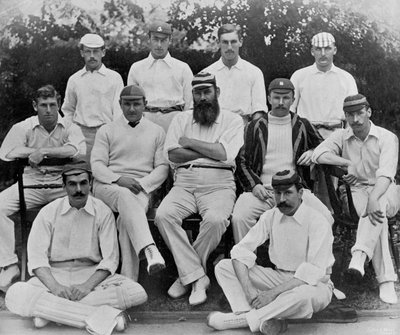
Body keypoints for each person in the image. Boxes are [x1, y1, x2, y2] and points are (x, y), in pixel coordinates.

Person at [5, 161, 147, 334]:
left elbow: (110, 259)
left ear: (90, 184)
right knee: (15, 293)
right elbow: (36, 260)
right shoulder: (48, 212)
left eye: (83, 183)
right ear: (64, 185)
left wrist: (87, 286)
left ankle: (50, 313)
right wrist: (56, 288)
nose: (78, 189)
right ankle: (103, 317)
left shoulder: (103, 211)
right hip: (54, 274)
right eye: (72, 184)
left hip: (91, 275)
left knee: (136, 291)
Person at [155, 72, 244, 306]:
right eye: (198, 93)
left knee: (215, 220)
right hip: (184, 182)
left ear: (217, 93)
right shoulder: (181, 119)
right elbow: (172, 153)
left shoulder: (233, 120)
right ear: (192, 95)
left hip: (219, 183)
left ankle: (187, 276)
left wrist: (190, 142)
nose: (203, 98)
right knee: (163, 216)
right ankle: (197, 277)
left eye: (207, 92)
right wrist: (210, 149)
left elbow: (224, 154)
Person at [207, 170, 334, 334]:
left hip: (315, 285)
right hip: (280, 278)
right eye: (277, 193)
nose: (282, 199)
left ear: (301, 193)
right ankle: (263, 317)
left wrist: (271, 294)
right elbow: (240, 251)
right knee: (224, 267)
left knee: (304, 295)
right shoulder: (271, 215)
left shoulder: (317, 220)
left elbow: (312, 272)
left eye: (288, 193)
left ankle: (238, 320)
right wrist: (249, 291)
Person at [312, 94, 400, 304]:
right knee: (377, 217)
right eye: (350, 115)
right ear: (345, 116)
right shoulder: (342, 135)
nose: (356, 120)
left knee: (376, 206)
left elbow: (386, 174)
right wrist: (345, 162)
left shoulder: (387, 138)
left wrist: (374, 197)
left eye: (360, 113)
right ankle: (385, 281)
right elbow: (318, 154)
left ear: (369, 112)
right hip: (357, 190)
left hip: (386, 189)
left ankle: (360, 255)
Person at [0, 85, 85, 292]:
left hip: (62, 185)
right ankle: (9, 265)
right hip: (31, 185)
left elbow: (77, 150)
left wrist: (44, 152)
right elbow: (7, 152)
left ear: (59, 104)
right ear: (34, 106)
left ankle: (80, 264)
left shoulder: (70, 126)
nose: (48, 110)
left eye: (53, 105)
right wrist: (34, 151)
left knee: (90, 205)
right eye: (43, 105)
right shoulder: (24, 127)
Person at [232, 78, 332, 243]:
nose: (280, 102)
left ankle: (312, 264)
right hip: (262, 191)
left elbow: (326, 146)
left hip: (295, 190)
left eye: (286, 98)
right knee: (239, 218)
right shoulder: (254, 126)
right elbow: (241, 161)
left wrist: (314, 152)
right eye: (276, 97)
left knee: (325, 217)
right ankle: (246, 263)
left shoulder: (302, 125)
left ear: (293, 100)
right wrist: (254, 185)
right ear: (269, 98)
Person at [91, 84, 169, 281]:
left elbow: (162, 167)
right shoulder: (106, 130)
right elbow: (97, 165)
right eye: (127, 104)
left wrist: (142, 184)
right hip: (108, 185)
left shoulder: (157, 131)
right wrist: (118, 179)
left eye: (136, 104)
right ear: (120, 104)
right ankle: (149, 248)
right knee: (125, 195)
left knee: (125, 220)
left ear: (145, 105)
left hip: (140, 189)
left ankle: (128, 281)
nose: (132, 109)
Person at [62, 33, 124, 162]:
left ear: (103, 52)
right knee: (81, 174)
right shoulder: (74, 79)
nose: (91, 56)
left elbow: (118, 110)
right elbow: (68, 110)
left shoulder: (114, 78)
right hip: (80, 135)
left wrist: (115, 134)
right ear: (81, 53)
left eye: (96, 51)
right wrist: (70, 133)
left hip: (106, 133)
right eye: (87, 51)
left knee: (104, 172)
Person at [127, 21, 193, 132]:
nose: (159, 45)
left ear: (170, 40)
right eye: (155, 39)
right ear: (149, 39)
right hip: (145, 122)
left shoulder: (182, 68)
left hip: (174, 122)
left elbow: (190, 103)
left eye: (163, 40)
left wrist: (183, 127)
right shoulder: (137, 68)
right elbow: (131, 101)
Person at [290, 32, 358, 139]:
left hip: (337, 135)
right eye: (318, 49)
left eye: (327, 48)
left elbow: (353, 111)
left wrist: (348, 138)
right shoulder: (299, 76)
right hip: (306, 135)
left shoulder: (346, 78)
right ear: (312, 51)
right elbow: (290, 109)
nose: (323, 53)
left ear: (334, 50)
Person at [203, 23, 267, 122]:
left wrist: (249, 132)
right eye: (225, 42)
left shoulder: (254, 72)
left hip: (243, 127)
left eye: (233, 42)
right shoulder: (207, 73)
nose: (229, 47)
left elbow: (259, 111)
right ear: (218, 43)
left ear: (240, 42)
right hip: (213, 127)